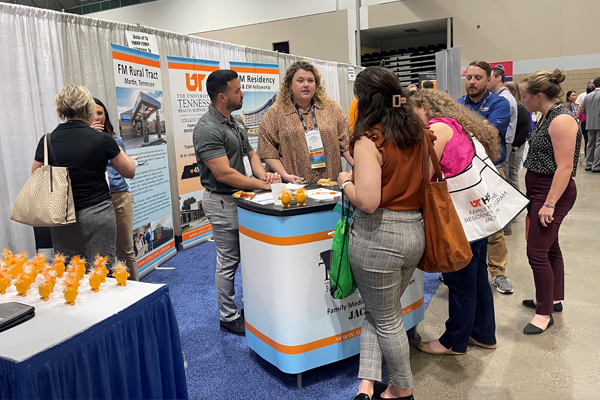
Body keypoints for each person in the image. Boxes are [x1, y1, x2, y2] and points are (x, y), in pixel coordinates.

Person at [338, 66, 427, 400]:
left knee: (386, 318)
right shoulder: (416, 133)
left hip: (378, 237)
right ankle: (367, 383)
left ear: (364, 100)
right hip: (413, 232)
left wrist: (346, 181)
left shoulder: (369, 138)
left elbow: (369, 201)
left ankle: (402, 389)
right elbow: (423, 177)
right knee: (380, 312)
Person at [411, 87, 500, 356]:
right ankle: (483, 334)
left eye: (412, 112)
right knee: (476, 278)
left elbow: (423, 173)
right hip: (476, 212)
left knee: (459, 281)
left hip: (456, 216)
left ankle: (454, 341)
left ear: (424, 105)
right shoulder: (458, 125)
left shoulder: (436, 128)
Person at [193, 69, 281, 336]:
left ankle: (248, 306)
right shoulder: (207, 128)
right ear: (222, 96)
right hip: (221, 201)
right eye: (237, 90)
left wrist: (262, 174)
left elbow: (251, 153)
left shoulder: (236, 122)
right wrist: (262, 184)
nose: (242, 93)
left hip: (243, 199)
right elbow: (223, 173)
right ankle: (228, 316)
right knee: (229, 260)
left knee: (251, 256)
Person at [31, 85, 135, 267]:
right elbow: (129, 171)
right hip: (98, 211)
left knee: (70, 269)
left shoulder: (47, 139)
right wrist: (108, 141)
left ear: (61, 109)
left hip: (62, 214)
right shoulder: (102, 138)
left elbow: (36, 176)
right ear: (87, 108)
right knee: (101, 270)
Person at [519, 69, 581, 334]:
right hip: (539, 189)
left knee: (536, 252)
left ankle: (543, 313)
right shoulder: (545, 116)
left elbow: (565, 167)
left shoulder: (562, 120)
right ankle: (552, 298)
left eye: (524, 96)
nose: (523, 101)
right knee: (550, 246)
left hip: (552, 192)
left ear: (539, 95)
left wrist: (550, 203)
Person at [458, 60, 513, 295]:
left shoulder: (500, 104)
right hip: (461, 172)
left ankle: (498, 272)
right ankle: (461, 266)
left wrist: (464, 129)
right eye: (469, 77)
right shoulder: (458, 104)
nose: (472, 82)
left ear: (489, 79)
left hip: (490, 171)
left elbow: (488, 132)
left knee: (493, 225)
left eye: (477, 77)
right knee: (462, 223)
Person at [258, 60, 353, 184]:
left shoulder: (331, 108)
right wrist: (285, 175)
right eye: (300, 80)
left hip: (330, 184)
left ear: (316, 84)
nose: (306, 84)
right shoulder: (275, 112)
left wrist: (357, 168)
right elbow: (267, 150)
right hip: (294, 186)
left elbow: (346, 144)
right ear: (290, 84)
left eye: (310, 80)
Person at [91, 98, 138, 281]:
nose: (98, 117)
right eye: (93, 113)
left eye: (101, 113)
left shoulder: (115, 139)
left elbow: (126, 169)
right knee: (100, 252)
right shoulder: (83, 141)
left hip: (118, 196)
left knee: (125, 249)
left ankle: (136, 291)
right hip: (94, 200)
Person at [488, 67, 519, 236]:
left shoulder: (504, 99)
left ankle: (505, 225)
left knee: (502, 184)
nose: (487, 81)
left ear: (498, 78)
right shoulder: (499, 97)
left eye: (489, 78)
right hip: (503, 142)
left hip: (503, 143)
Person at [504, 82, 531, 190]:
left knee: (512, 173)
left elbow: (524, 128)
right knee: (506, 173)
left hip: (517, 145)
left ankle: (517, 200)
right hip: (510, 144)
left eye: (506, 90)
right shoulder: (507, 106)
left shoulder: (519, 107)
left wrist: (515, 145)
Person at [581, 77, 600, 172]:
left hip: (589, 122)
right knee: (598, 144)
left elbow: (583, 110)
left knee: (590, 143)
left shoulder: (587, 96)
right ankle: (596, 166)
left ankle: (589, 164)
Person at [576, 85, 594, 157]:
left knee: (587, 141)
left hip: (584, 123)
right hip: (593, 122)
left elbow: (578, 115)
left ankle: (587, 156)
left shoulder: (583, 102)